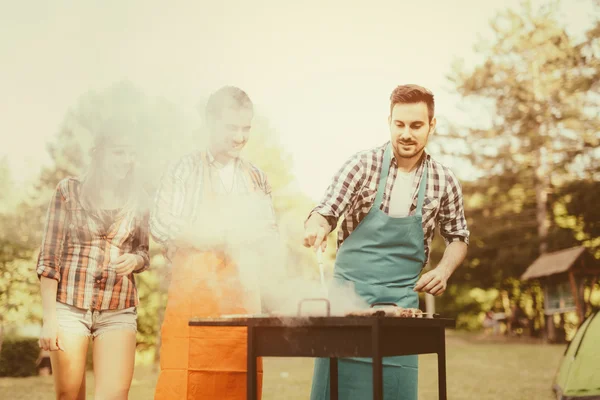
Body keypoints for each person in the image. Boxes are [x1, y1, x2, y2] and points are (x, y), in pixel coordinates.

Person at [303, 84, 470, 400]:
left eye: (416, 125)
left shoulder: (444, 180)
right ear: (389, 121)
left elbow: (459, 237)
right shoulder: (362, 166)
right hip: (347, 304)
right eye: (400, 124)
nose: (407, 133)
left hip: (400, 311)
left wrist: (444, 271)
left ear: (432, 125)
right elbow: (325, 211)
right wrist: (317, 227)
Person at [151, 86, 278, 400]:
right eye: (231, 128)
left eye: (245, 128)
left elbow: (270, 234)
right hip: (193, 306)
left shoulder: (256, 177)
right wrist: (217, 236)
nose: (239, 137)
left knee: (241, 388)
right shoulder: (184, 169)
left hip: (243, 308)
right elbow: (161, 222)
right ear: (210, 122)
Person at [36, 123, 150, 400]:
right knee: (70, 394)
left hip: (117, 308)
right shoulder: (68, 191)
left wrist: (134, 260)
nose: (126, 160)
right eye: (118, 152)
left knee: (113, 395)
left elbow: (145, 252)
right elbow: (49, 258)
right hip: (69, 307)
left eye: (131, 153)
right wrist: (50, 318)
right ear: (99, 154)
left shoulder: (139, 198)